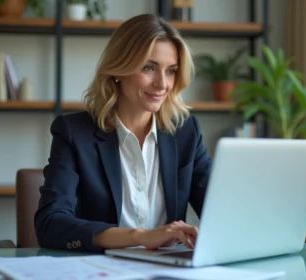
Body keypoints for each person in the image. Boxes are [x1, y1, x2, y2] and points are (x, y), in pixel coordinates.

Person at [34, 13, 212, 253]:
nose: (162, 84)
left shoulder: (186, 132)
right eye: (149, 67)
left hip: (167, 271)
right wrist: (141, 236)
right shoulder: (75, 133)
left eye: (171, 71)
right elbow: (50, 225)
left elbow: (220, 213)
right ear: (118, 70)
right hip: (100, 270)